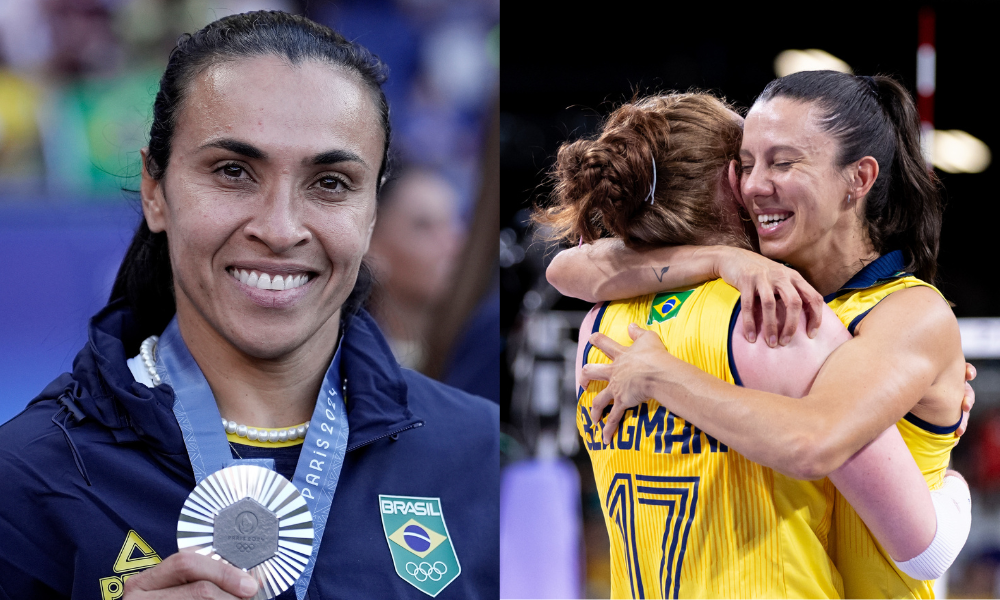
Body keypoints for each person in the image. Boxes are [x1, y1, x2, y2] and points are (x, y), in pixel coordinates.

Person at [0, 12, 498, 600]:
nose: (281, 229)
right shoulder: (28, 477)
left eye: (331, 183)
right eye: (233, 172)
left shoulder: (478, 453)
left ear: (370, 214)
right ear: (155, 190)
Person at [536, 91, 971, 598]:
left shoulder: (600, 324)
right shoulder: (787, 322)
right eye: (747, 165)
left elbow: (566, 268)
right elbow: (925, 547)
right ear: (729, 182)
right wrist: (953, 488)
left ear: (860, 178)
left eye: (782, 163)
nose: (759, 184)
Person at [367, 167, 463, 371]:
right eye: (423, 226)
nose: (452, 245)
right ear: (372, 247)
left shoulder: (473, 353)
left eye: (455, 222)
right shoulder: (347, 363)